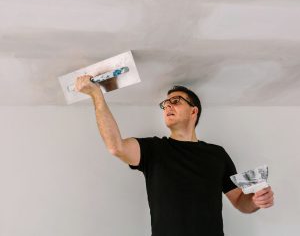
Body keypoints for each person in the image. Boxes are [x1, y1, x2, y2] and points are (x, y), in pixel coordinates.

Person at [75, 76, 274, 236]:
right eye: (166, 104)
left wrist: (256, 201)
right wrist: (96, 96)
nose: (168, 106)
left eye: (176, 101)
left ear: (193, 111)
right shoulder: (153, 149)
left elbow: (240, 200)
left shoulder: (217, 154)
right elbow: (115, 147)